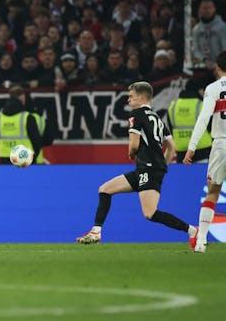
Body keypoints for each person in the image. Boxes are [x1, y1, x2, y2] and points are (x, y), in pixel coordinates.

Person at [77, 81, 197, 245]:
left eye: (131, 96)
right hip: (147, 169)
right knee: (105, 189)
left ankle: (192, 231)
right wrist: (163, 165)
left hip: (148, 169)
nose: (128, 99)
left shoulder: (137, 115)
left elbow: (134, 144)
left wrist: (131, 153)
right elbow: (172, 147)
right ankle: (96, 232)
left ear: (141, 98)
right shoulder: (157, 118)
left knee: (150, 213)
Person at [184, 52, 226, 253]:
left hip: (220, 145)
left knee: (213, 192)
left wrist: (191, 147)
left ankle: (201, 240)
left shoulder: (213, 88)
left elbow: (204, 119)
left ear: (217, 67)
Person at [0, 85, 49, 164]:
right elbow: (36, 141)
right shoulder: (27, 117)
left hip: (5, 158)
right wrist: (33, 157)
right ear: (22, 97)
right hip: (25, 159)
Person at [168, 82, 212, 163]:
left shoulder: (173, 106)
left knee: (184, 171)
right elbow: (211, 128)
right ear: (198, 90)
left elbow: (171, 128)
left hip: (181, 151)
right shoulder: (202, 105)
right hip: (203, 150)